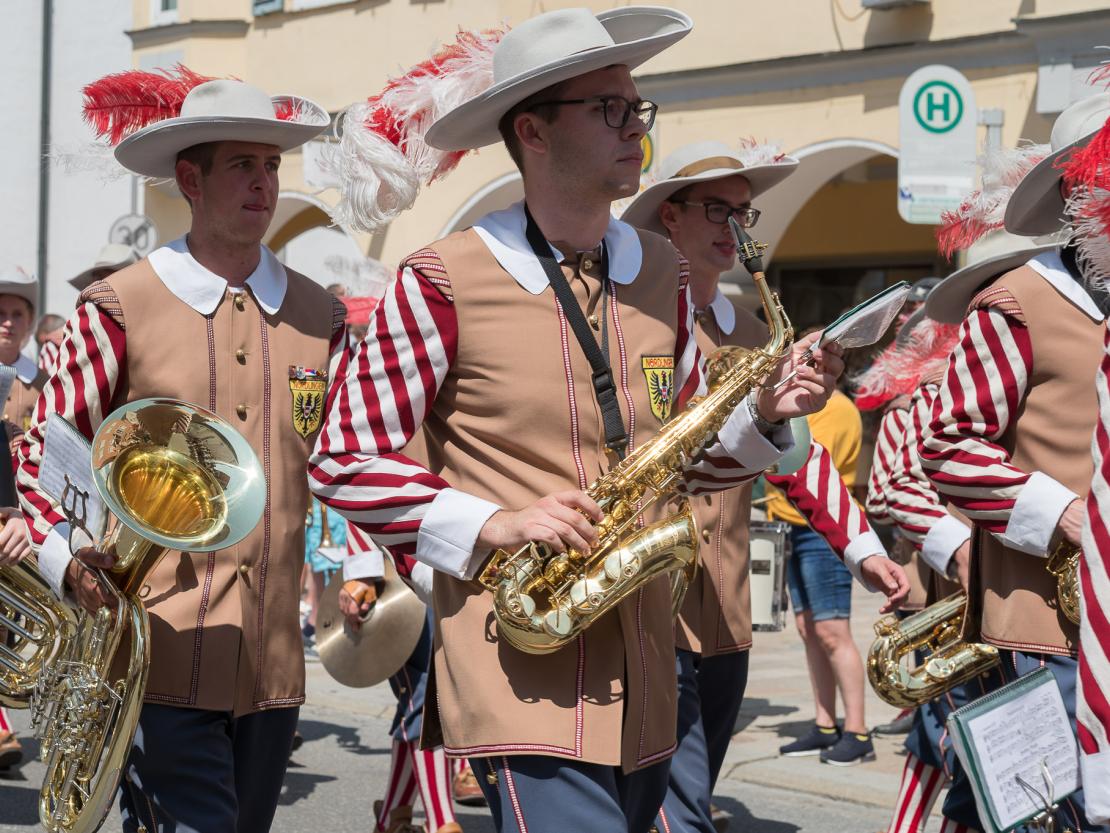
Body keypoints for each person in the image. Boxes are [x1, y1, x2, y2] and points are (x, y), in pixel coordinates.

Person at [310, 8, 848, 832]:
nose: (637, 129)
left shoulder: (661, 271)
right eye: (610, 110)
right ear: (532, 130)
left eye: (638, 108)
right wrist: (495, 521)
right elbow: (344, 458)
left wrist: (764, 416)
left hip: (649, 663)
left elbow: (692, 459)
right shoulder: (442, 278)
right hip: (522, 660)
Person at [17, 73, 338, 833]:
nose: (263, 184)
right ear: (190, 180)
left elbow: (343, 459)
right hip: (152, 650)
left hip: (274, 665)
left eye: (271, 166)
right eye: (242, 166)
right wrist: (65, 554)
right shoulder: (121, 304)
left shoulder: (321, 313)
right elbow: (46, 450)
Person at [621, 139, 908, 830]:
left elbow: (798, 454)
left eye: (743, 214)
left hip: (723, 605)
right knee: (675, 808)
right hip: (641, 601)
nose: (734, 228)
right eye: (716, 209)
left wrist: (861, 546)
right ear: (669, 217)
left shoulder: (751, 331)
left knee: (676, 794)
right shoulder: (626, 321)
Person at [920, 92, 1110, 833]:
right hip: (1049, 621)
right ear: (1082, 191)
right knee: (1058, 816)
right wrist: (1066, 513)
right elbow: (948, 443)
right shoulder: (1020, 299)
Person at [761, 343, 882, 765]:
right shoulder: (797, 403)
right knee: (808, 629)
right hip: (792, 529)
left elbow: (793, 464)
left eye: (809, 359)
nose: (800, 365)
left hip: (822, 532)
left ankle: (858, 732)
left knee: (834, 632)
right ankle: (825, 723)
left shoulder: (836, 408)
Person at [0, 265, 39, 774]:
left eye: (16, 314)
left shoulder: (45, 380)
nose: (7, 323)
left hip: (23, 521)